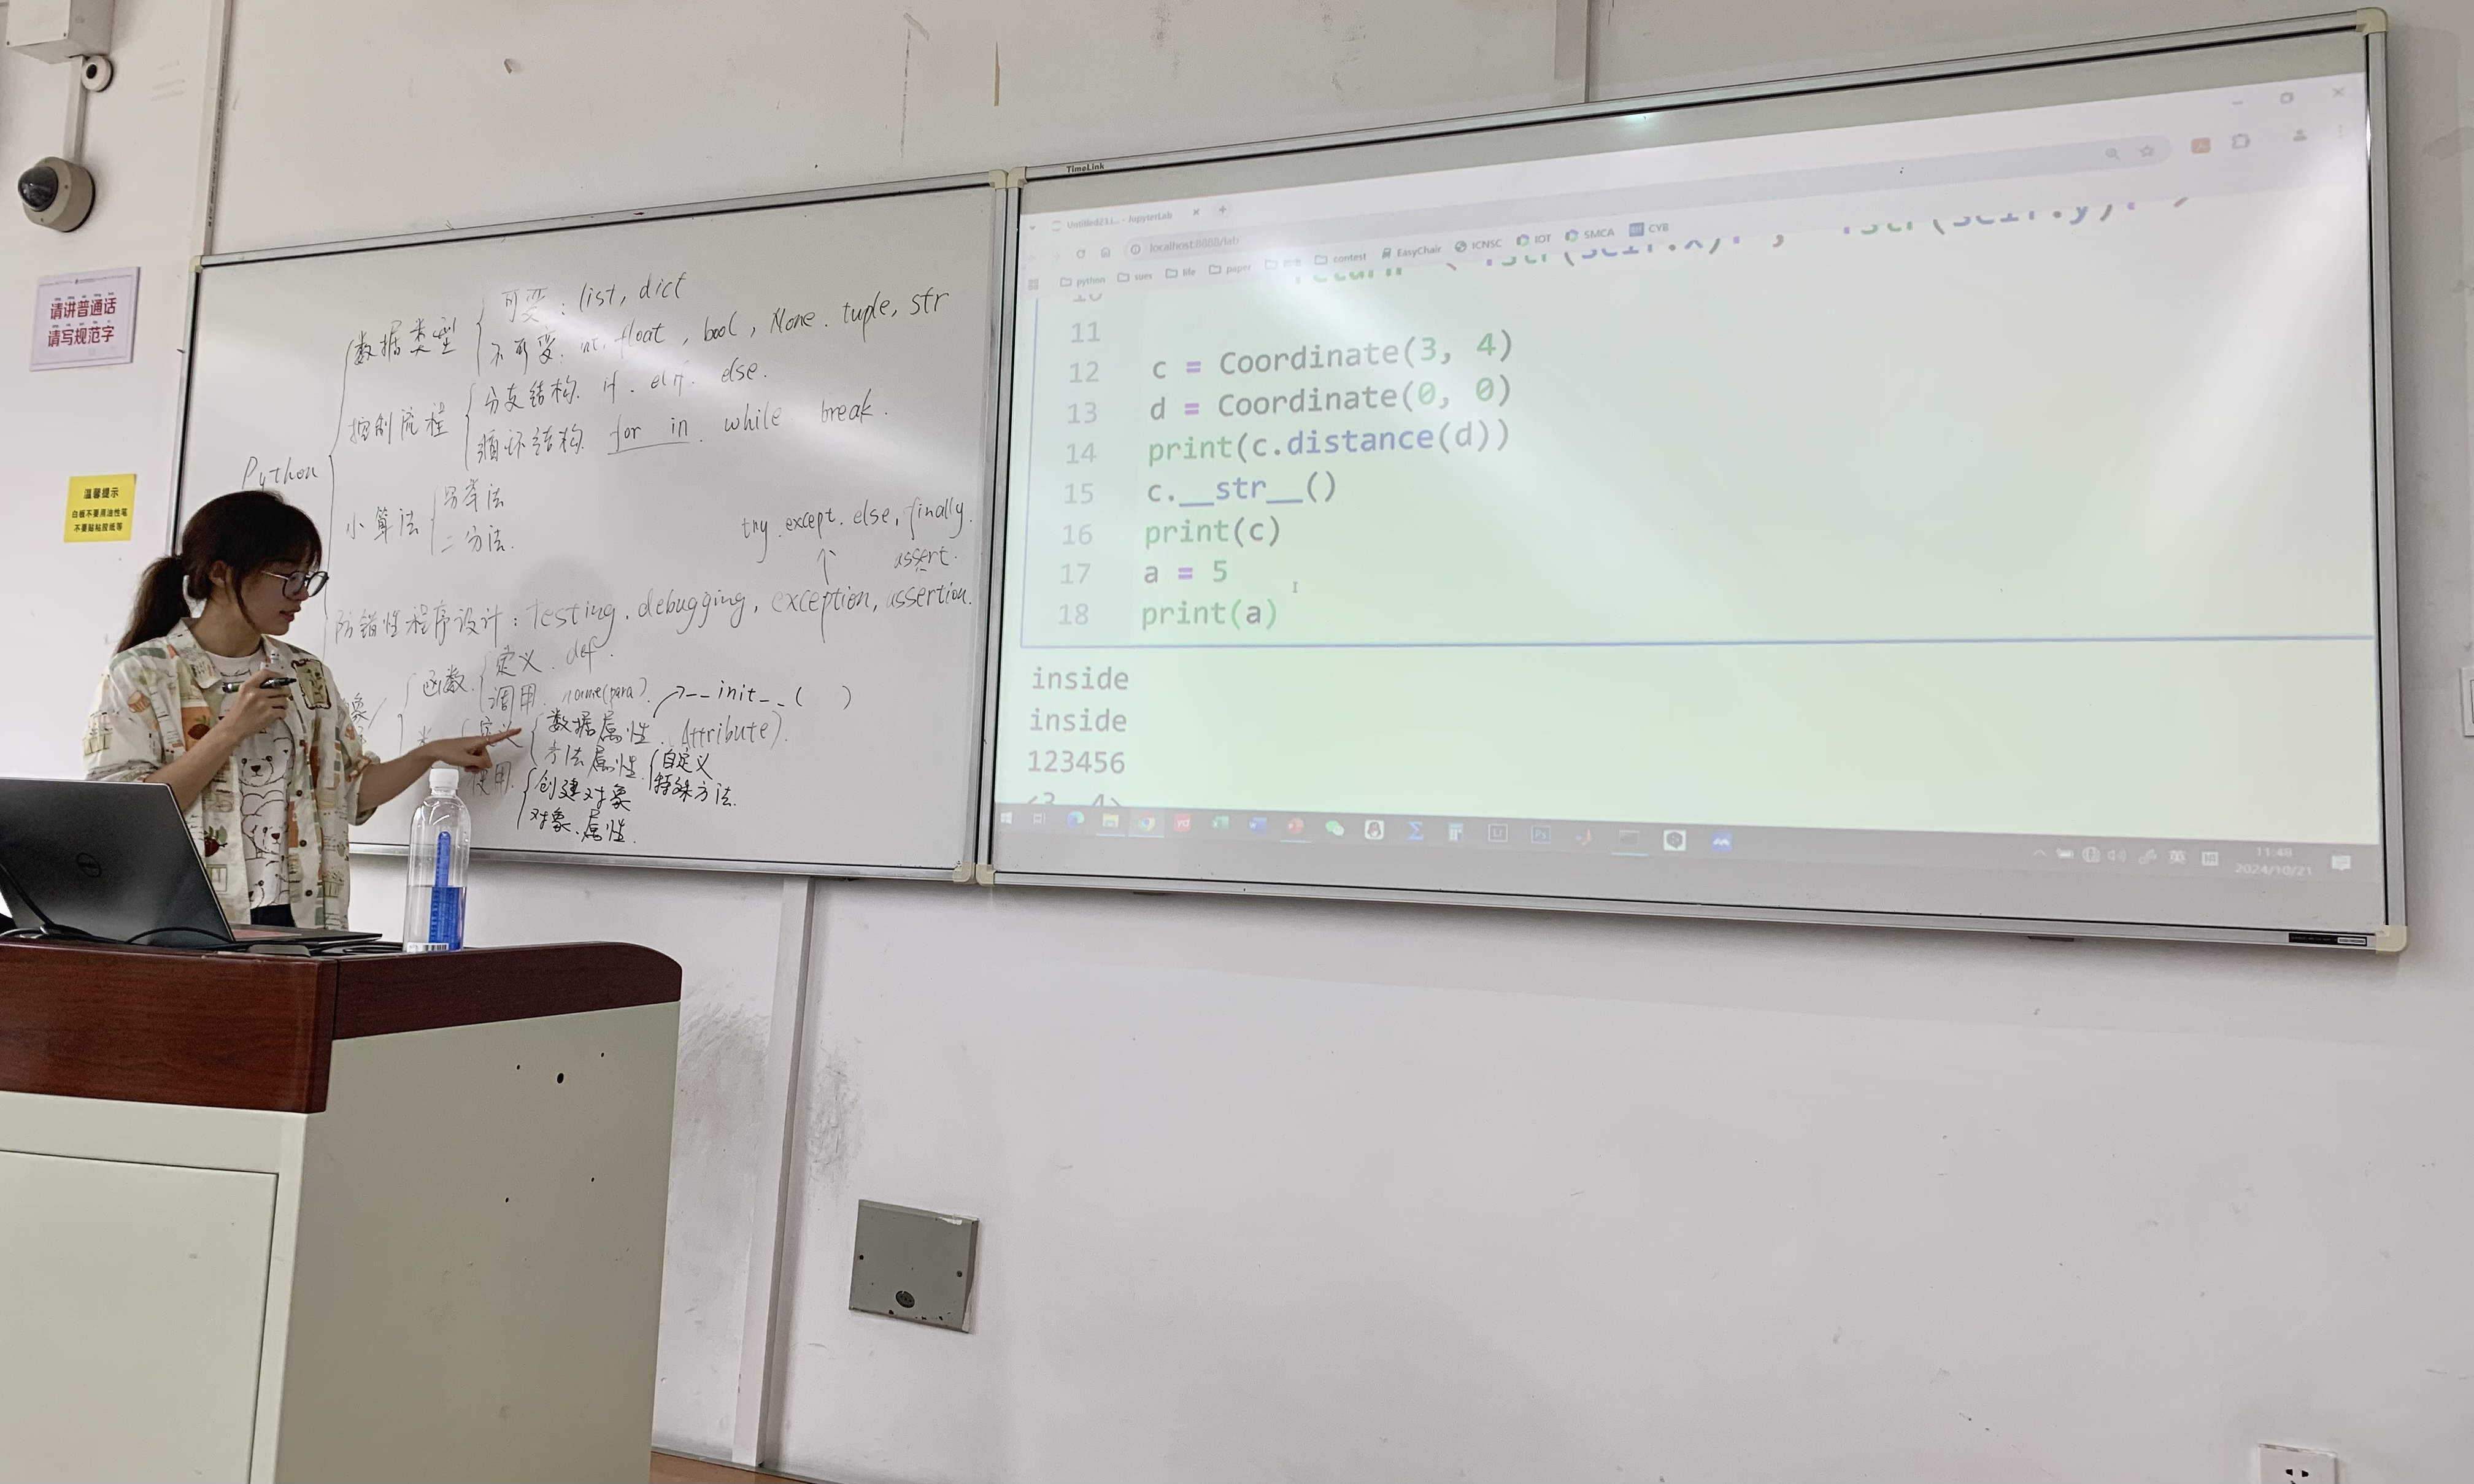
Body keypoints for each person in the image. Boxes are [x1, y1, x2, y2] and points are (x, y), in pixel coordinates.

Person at [83, 490, 517, 929]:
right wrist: (230, 732)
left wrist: (429, 753)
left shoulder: (306, 673)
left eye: (308, 577)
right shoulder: (142, 673)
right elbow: (126, 817)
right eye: (288, 577)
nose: (303, 594)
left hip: (301, 919)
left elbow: (349, 793)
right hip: (186, 919)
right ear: (220, 573)